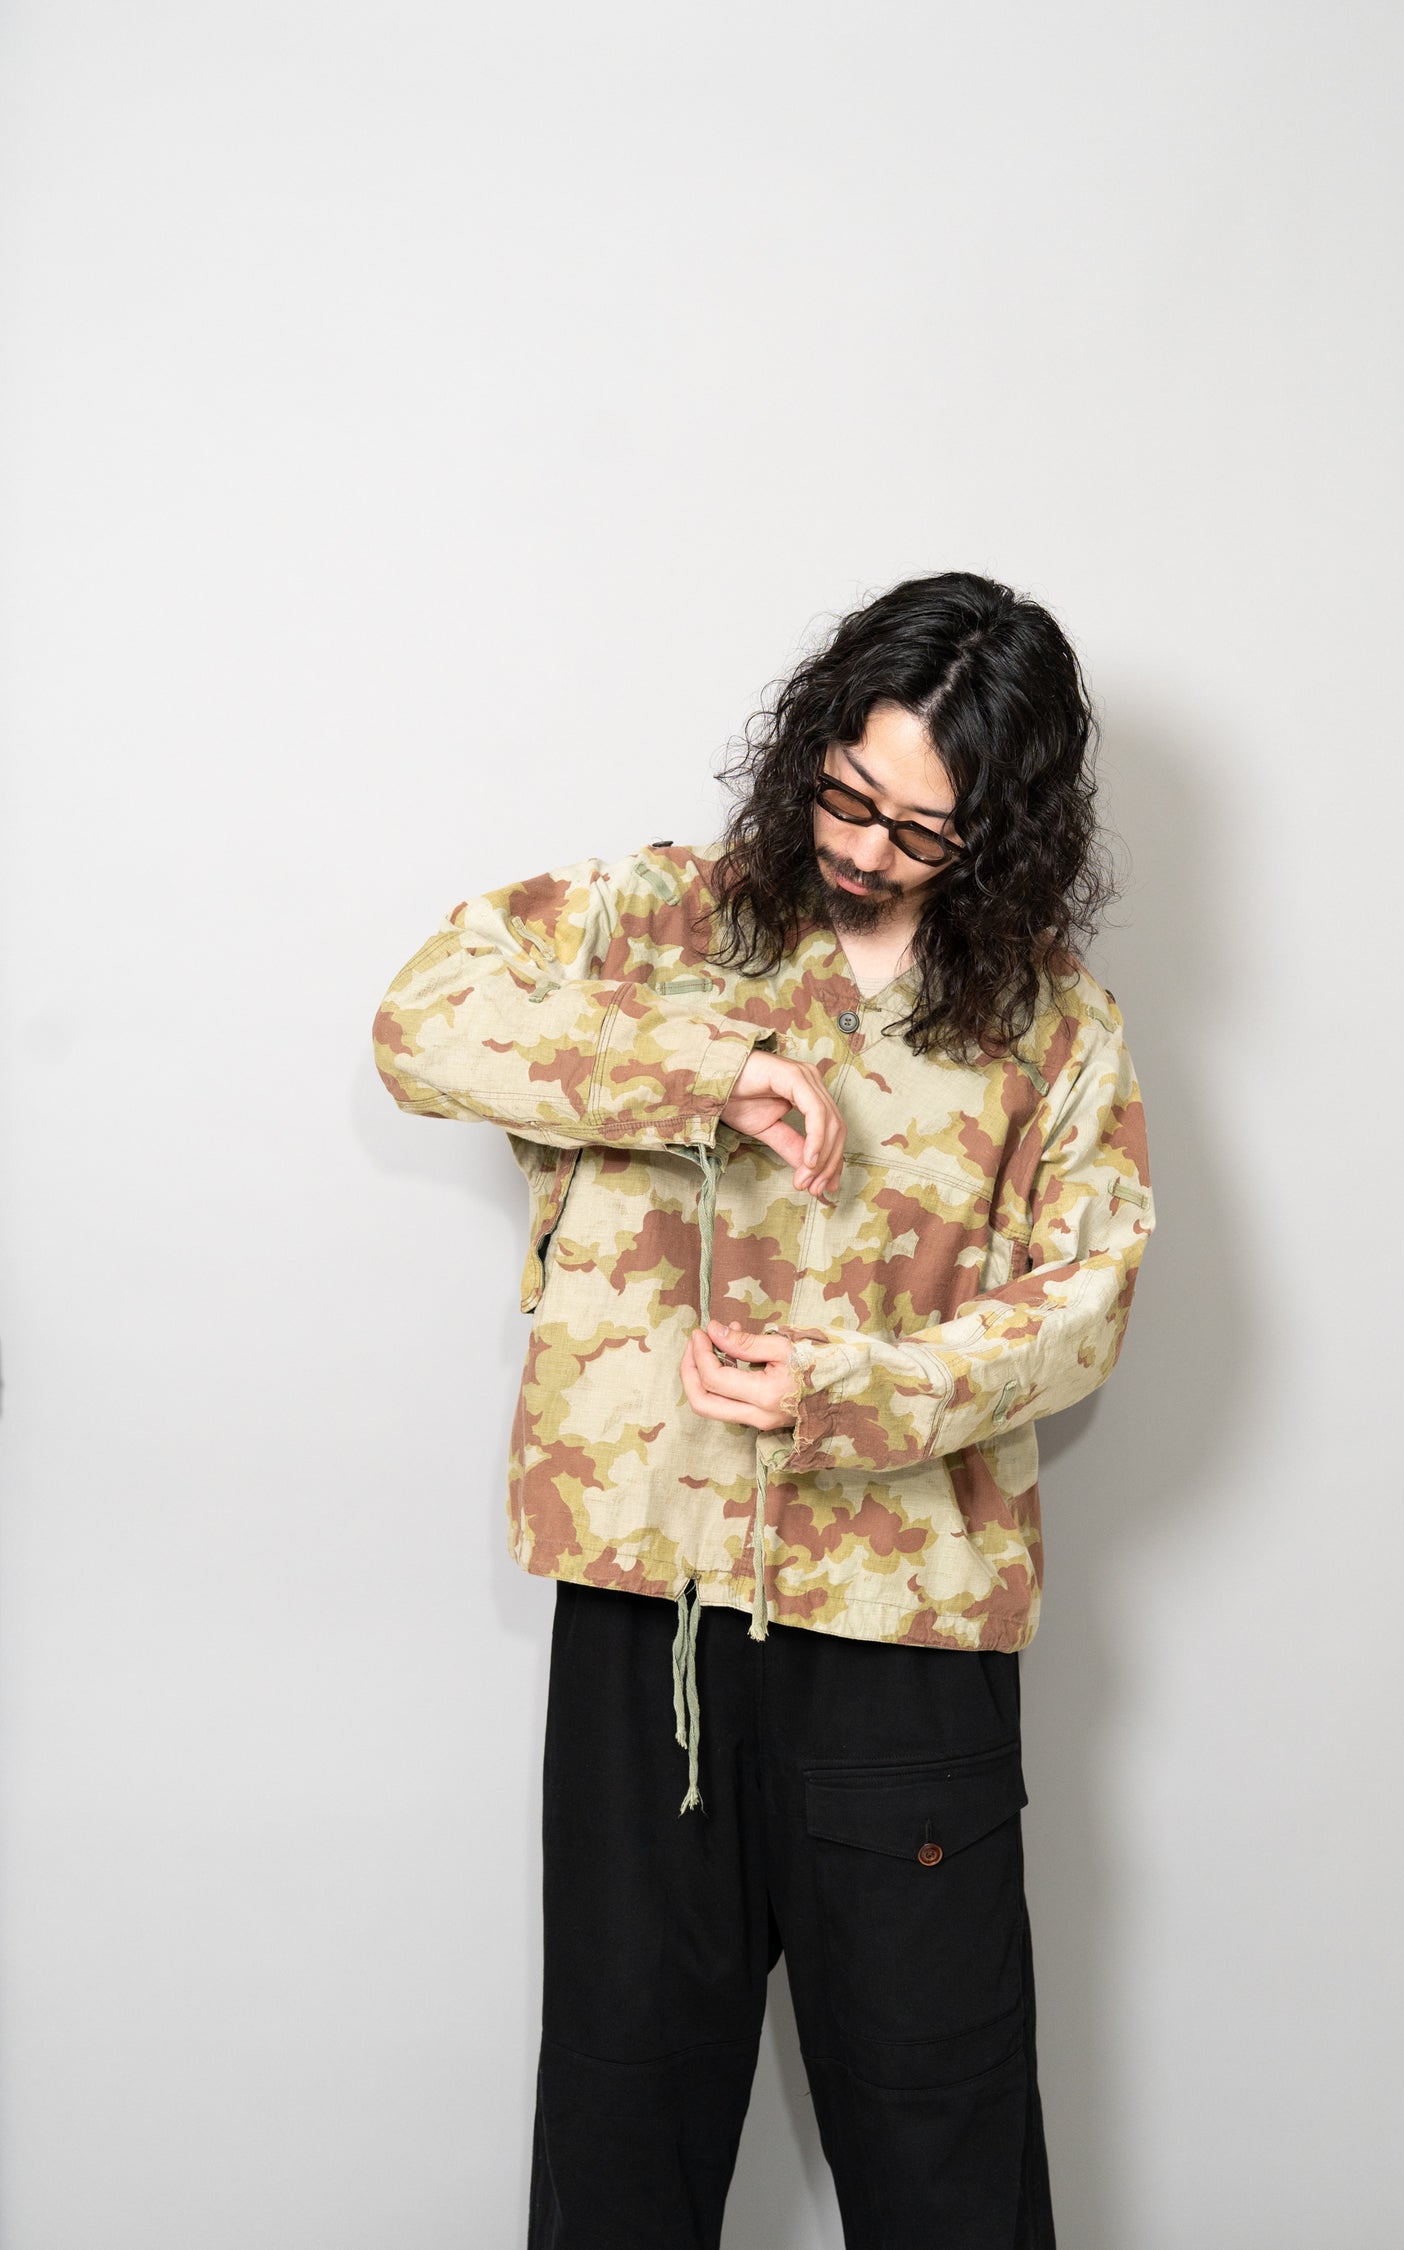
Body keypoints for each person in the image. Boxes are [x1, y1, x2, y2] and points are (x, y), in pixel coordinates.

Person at [372, 570, 1155, 2248]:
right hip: (645, 1609)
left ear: (1003, 832)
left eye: (922, 830)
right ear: (812, 745)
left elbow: (1088, 1301)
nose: (865, 848)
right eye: (848, 795)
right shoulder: (664, 920)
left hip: (905, 1636)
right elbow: (421, 1018)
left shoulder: (1055, 1027)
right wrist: (703, 1071)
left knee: (946, 2152)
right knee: (619, 2136)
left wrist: (856, 1393)